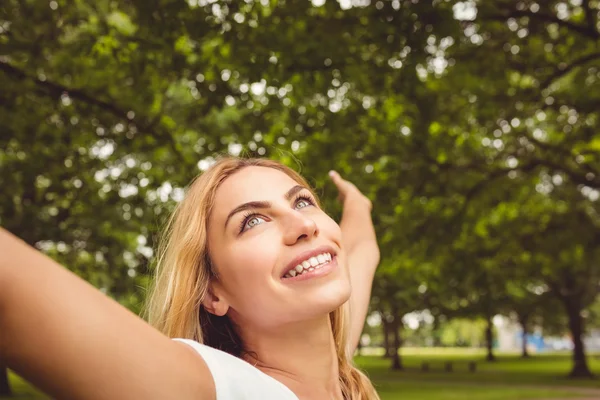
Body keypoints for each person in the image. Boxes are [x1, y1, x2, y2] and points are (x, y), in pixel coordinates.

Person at [0, 157, 381, 399]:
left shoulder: (340, 379)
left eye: (302, 201)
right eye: (252, 221)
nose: (302, 224)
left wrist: (357, 203)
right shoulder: (214, 388)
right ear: (213, 292)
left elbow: (362, 252)